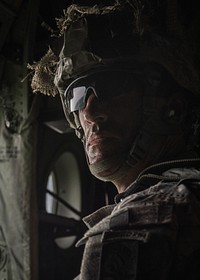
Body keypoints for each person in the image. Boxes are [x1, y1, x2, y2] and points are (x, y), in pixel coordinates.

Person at [30, 1, 200, 279]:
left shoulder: (133, 229)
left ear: (174, 109)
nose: (89, 111)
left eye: (109, 87)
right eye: (78, 95)